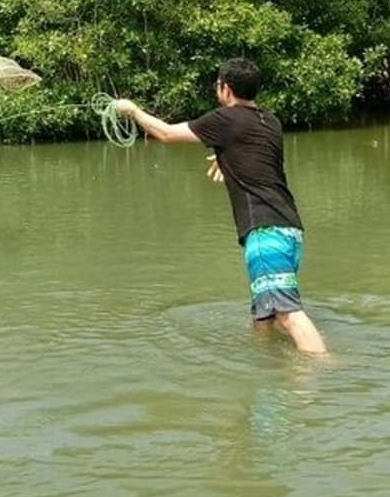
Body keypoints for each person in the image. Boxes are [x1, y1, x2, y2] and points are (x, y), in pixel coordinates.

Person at [112, 58, 327, 354]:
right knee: (263, 314)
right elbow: (257, 159)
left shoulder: (225, 119)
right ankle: (265, 366)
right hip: (290, 229)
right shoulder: (271, 121)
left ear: (225, 88)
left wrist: (132, 110)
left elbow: (165, 133)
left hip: (265, 231)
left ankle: (324, 372)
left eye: (217, 85)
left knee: (287, 313)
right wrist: (226, 159)